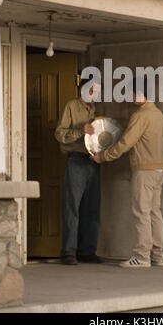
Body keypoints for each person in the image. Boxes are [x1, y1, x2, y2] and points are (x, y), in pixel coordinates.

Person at [93, 77, 163, 268]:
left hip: (144, 170)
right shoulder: (158, 114)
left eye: (131, 93)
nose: (130, 96)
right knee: (154, 212)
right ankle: (158, 256)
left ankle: (142, 256)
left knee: (141, 212)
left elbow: (126, 142)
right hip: (159, 169)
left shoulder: (141, 115)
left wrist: (104, 156)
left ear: (140, 94)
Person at [55, 77, 102, 265]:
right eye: (94, 90)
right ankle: (68, 252)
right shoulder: (71, 106)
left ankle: (87, 251)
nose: (97, 94)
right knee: (72, 208)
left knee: (92, 208)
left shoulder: (95, 110)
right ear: (84, 89)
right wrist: (80, 131)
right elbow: (59, 133)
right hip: (76, 160)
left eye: (98, 91)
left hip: (93, 161)